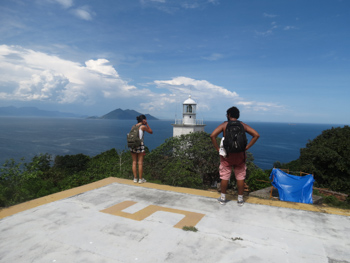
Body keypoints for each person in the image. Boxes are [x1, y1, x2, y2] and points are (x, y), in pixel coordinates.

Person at [210, 106, 259, 206]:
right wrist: (247, 147)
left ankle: (223, 198)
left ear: (228, 115)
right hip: (240, 155)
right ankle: (240, 200)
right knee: (240, 176)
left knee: (225, 176)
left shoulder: (225, 125)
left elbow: (212, 135)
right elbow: (256, 135)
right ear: (238, 115)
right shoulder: (243, 125)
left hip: (227, 155)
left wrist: (218, 149)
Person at [129, 114, 153, 183]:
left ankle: (135, 178)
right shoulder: (143, 127)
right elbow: (151, 132)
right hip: (140, 145)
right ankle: (140, 179)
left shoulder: (133, 126)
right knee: (140, 163)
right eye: (145, 120)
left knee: (134, 162)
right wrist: (147, 124)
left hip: (133, 145)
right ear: (143, 120)